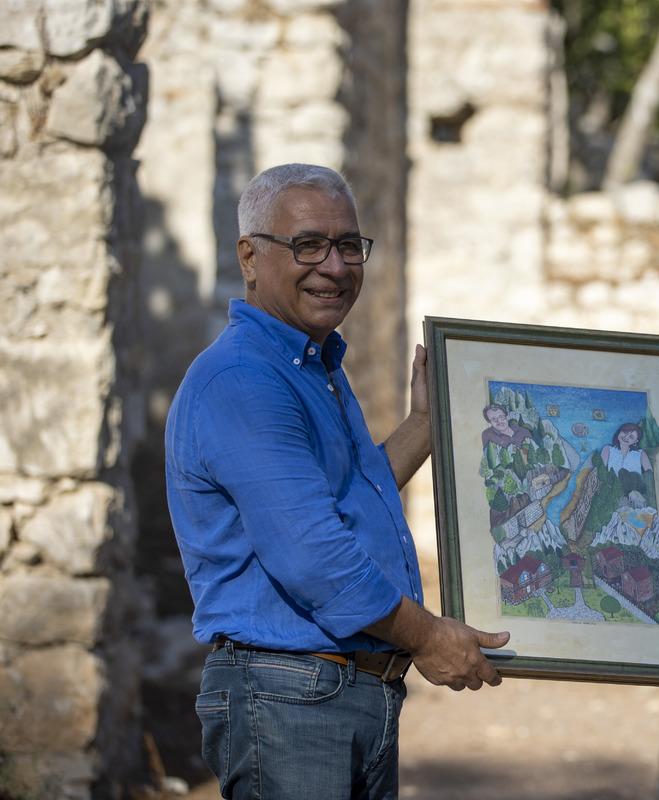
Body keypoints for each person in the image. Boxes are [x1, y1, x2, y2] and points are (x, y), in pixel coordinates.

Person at [165, 163, 509, 799]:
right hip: (290, 700)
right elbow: (313, 555)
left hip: (331, 694)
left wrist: (426, 424)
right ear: (249, 256)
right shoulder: (245, 379)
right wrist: (429, 637)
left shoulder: (307, 363)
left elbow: (349, 500)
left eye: (349, 245)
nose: (334, 266)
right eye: (308, 245)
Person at [601, 422, 653, 495]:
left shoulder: (641, 454)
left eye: (631, 437)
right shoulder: (608, 449)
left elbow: (649, 475)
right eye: (625, 432)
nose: (626, 437)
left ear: (635, 441)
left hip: (635, 493)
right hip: (612, 491)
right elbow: (600, 472)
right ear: (619, 432)